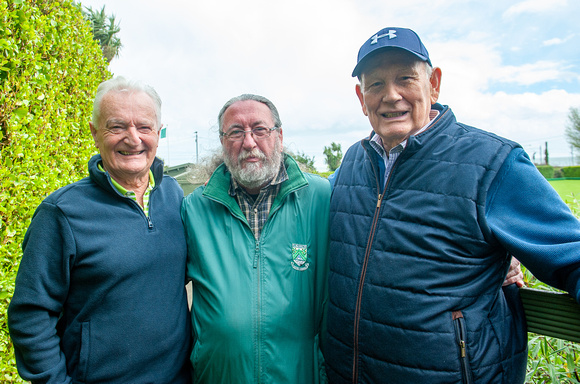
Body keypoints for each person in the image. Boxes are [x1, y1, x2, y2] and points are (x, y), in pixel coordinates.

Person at [324, 27, 580, 383]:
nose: (391, 95)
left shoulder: (492, 163)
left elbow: (573, 255)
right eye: (376, 84)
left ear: (434, 84)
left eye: (405, 78)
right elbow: (305, 216)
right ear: (360, 96)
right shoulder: (353, 162)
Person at [8, 77, 191, 383]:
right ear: (95, 133)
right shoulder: (62, 213)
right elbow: (31, 314)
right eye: (117, 126)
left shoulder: (175, 196)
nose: (133, 139)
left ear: (158, 134)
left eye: (144, 127)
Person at [180, 94, 330, 383]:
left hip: (300, 375)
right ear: (223, 142)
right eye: (236, 132)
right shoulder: (194, 209)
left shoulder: (321, 198)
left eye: (259, 130)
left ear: (279, 136)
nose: (249, 142)